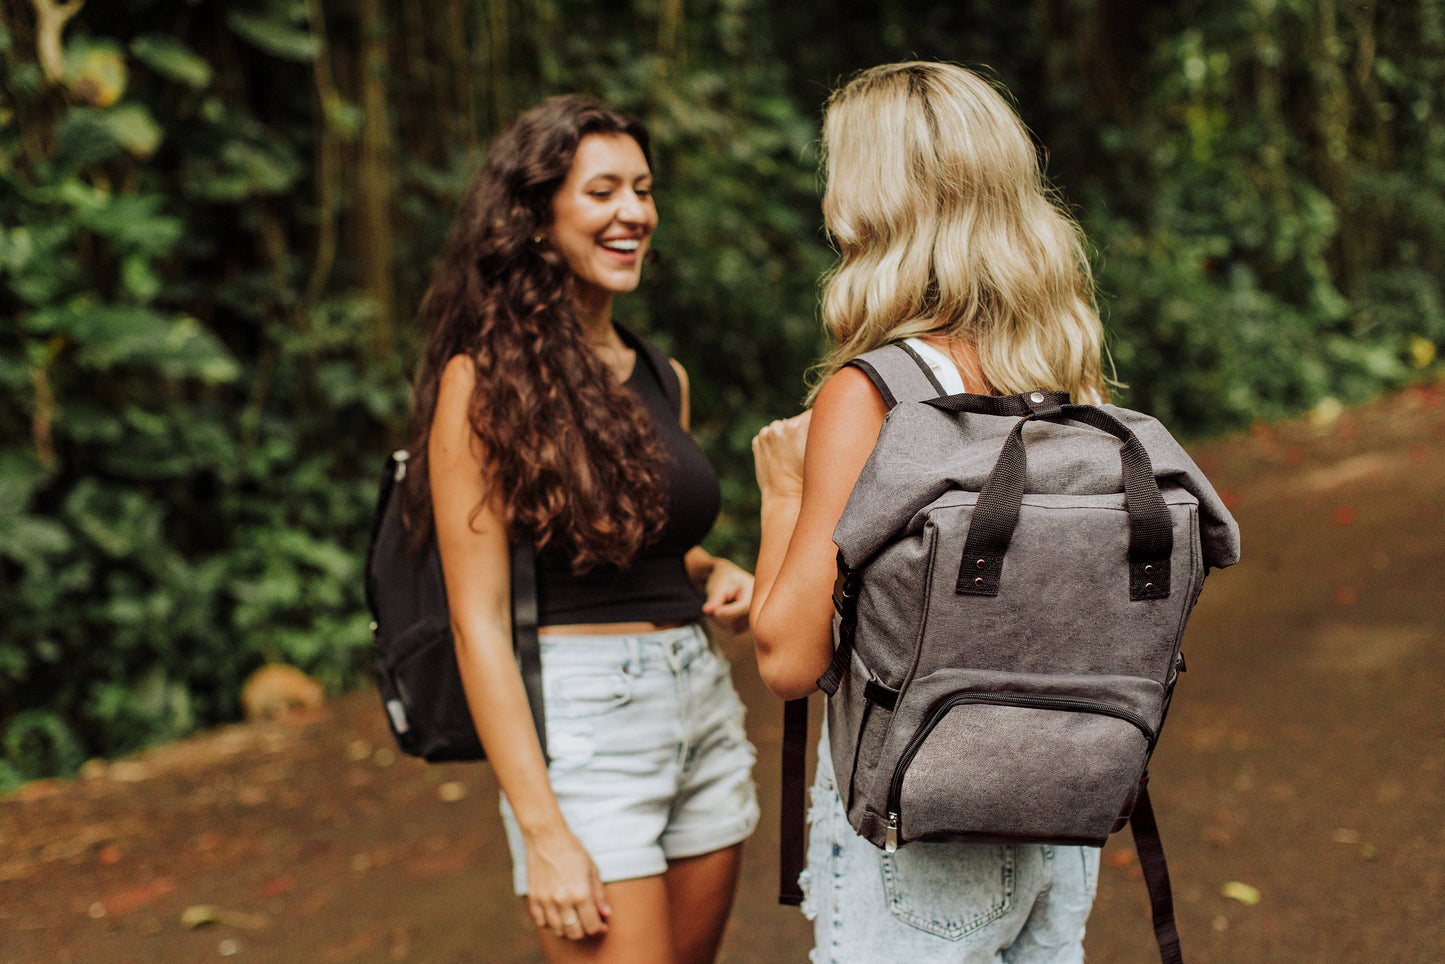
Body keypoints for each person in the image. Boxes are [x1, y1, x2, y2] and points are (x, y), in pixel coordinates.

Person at [750, 62, 1110, 962]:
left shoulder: (875, 395)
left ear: (863, 201)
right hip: (1059, 811)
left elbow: (789, 660)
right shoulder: (1065, 373)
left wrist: (782, 492)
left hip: (916, 831)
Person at [403, 95, 760, 963]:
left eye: (642, 189)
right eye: (602, 191)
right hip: (584, 725)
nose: (633, 211)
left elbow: (644, 541)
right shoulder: (480, 384)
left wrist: (715, 570)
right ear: (535, 217)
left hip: (699, 706)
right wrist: (544, 831)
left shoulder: (660, 374)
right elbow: (476, 620)